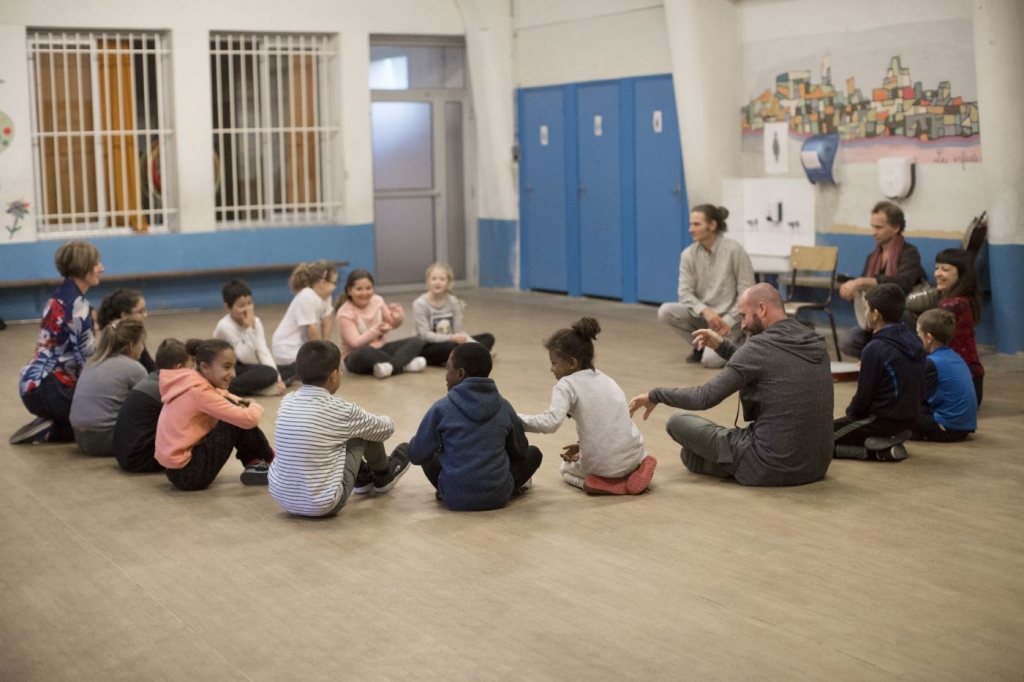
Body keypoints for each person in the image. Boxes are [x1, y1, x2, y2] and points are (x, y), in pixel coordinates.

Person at [630, 283, 833, 486]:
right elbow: (767, 364)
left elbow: (704, 397)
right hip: (816, 465)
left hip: (770, 467)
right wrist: (722, 346)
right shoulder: (813, 341)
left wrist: (655, 395)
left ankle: (732, 464)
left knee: (677, 424)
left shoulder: (757, 348)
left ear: (762, 309)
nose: (743, 325)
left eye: (744, 315)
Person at [269, 340, 410, 517]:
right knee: (362, 430)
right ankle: (383, 476)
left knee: (340, 433)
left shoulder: (287, 401)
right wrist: (384, 418)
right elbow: (385, 429)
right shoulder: (341, 411)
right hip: (324, 504)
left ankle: (363, 478)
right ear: (334, 375)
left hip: (283, 499)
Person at [518, 317, 657, 495]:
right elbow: (610, 421)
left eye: (553, 363)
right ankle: (639, 466)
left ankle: (601, 483)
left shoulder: (566, 385)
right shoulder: (606, 379)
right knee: (623, 457)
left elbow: (550, 423)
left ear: (572, 363)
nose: (551, 369)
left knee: (565, 469)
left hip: (604, 465)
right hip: (635, 454)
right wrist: (582, 446)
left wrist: (515, 418)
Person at [406, 343, 542, 512]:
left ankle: (448, 490)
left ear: (460, 374)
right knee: (534, 453)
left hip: (453, 498)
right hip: (498, 497)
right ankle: (508, 488)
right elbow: (521, 451)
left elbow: (416, 455)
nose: (446, 376)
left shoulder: (441, 408)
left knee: (429, 452)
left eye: (448, 369)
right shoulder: (504, 406)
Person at [13, 241, 104, 444]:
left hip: (31, 385)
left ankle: (52, 421)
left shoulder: (57, 298)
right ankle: (51, 431)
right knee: (104, 420)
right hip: (53, 389)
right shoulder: (79, 306)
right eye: (96, 263)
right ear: (83, 267)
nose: (101, 268)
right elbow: (88, 359)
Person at [155, 339, 274, 491]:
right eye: (226, 367)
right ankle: (269, 460)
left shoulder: (192, 382)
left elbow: (224, 395)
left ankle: (257, 462)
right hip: (188, 475)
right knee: (234, 419)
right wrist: (255, 405)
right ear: (205, 367)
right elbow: (250, 419)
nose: (233, 374)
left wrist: (241, 402)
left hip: (176, 470)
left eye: (234, 367)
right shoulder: (199, 392)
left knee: (233, 410)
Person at [833, 283, 926, 461]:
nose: (865, 313)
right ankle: (884, 440)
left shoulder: (875, 348)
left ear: (876, 314)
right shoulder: (913, 339)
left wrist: (851, 417)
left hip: (881, 422)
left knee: (816, 440)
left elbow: (863, 398)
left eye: (866, 308)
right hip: (911, 420)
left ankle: (879, 451)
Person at [657, 204, 755, 368]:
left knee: (710, 362)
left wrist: (728, 321)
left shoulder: (735, 251)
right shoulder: (688, 255)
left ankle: (738, 345)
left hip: (731, 320)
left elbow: (747, 293)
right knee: (666, 311)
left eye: (696, 224)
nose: (690, 229)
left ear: (712, 226)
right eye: (690, 224)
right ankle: (701, 346)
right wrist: (705, 310)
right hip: (704, 316)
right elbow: (685, 293)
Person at [838, 201, 928, 359]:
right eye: (872, 226)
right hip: (878, 318)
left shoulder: (910, 253)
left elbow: (902, 284)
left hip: (903, 314)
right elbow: (865, 294)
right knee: (847, 341)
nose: (873, 232)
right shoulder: (872, 257)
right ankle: (880, 358)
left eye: (879, 227)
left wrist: (860, 282)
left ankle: (889, 358)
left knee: (900, 319)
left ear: (896, 228)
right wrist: (853, 294)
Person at [69, 319, 148, 457]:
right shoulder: (134, 368)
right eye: (142, 343)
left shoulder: (93, 361)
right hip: (105, 440)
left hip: (79, 437)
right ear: (131, 346)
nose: (143, 348)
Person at [112, 338, 192, 473]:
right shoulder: (164, 390)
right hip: (139, 460)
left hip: (125, 455)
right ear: (178, 368)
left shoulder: (151, 380)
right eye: (189, 368)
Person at [336, 269, 426, 378]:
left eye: (368, 288)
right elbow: (355, 343)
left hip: (380, 349)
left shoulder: (378, 300)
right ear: (349, 290)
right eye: (359, 289)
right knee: (364, 351)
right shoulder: (344, 313)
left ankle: (391, 366)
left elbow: (391, 324)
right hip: (355, 356)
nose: (365, 293)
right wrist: (377, 330)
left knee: (416, 340)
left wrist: (398, 317)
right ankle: (403, 365)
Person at [912, 309, 977, 443]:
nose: (915, 337)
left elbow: (913, 397)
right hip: (964, 428)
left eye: (918, 334)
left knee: (900, 410)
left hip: (946, 429)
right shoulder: (955, 357)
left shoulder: (931, 363)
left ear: (929, 338)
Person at [412, 262, 496, 366]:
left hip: (453, 340)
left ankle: (472, 356)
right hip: (429, 346)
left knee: (488, 337)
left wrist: (477, 347)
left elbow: (459, 331)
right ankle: (473, 357)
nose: (437, 282)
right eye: (434, 279)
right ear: (428, 281)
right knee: (451, 347)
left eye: (442, 279)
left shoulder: (453, 301)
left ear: (448, 282)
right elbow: (425, 335)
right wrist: (451, 338)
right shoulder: (420, 304)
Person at [213, 279, 284, 396]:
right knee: (269, 372)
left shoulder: (256, 322)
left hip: (244, 367)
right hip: (228, 368)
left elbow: (262, 351)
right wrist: (249, 329)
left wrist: (278, 378)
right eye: (241, 306)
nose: (248, 309)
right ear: (227, 307)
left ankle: (263, 386)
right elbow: (246, 358)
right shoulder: (224, 327)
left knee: (287, 369)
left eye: (250, 303)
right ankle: (228, 389)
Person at [272, 260, 338, 385]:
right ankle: (283, 373)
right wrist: (320, 356)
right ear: (322, 282)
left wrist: (327, 349)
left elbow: (327, 320)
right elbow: (312, 329)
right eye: (334, 282)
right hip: (287, 348)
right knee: (315, 372)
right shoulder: (307, 296)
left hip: (302, 348)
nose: (336, 286)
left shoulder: (326, 296)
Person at [934, 248, 984, 406]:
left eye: (945, 269)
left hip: (961, 385)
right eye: (937, 268)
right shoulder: (963, 300)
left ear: (962, 275)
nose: (937, 274)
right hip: (970, 383)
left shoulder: (954, 304)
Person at [96, 288, 156, 372]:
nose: (145, 315)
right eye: (141, 311)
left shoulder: (135, 337)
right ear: (124, 315)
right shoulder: (117, 344)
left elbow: (151, 368)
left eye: (145, 310)